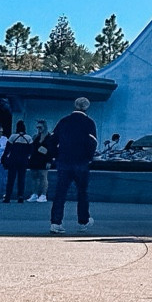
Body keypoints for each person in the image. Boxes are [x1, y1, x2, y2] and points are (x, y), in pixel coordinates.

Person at [49, 96, 97, 233]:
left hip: (64, 161)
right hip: (81, 162)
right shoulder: (89, 123)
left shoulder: (63, 121)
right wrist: (89, 158)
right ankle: (83, 220)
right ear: (86, 107)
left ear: (75, 106)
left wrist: (55, 156)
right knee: (82, 192)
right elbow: (92, 143)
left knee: (60, 193)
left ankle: (56, 222)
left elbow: (52, 140)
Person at [2, 122, 33, 203]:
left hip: (13, 160)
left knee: (11, 179)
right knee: (21, 178)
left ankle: (8, 196)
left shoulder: (13, 136)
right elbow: (31, 151)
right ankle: (20, 196)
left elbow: (7, 149)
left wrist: (4, 159)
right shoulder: (28, 138)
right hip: (23, 161)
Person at [27, 124, 50, 204]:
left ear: (44, 127)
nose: (39, 129)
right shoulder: (35, 137)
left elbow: (51, 150)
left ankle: (43, 195)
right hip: (35, 158)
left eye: (40, 127)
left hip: (44, 159)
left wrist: (49, 161)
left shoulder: (49, 137)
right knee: (34, 176)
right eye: (37, 127)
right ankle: (34, 194)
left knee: (43, 176)